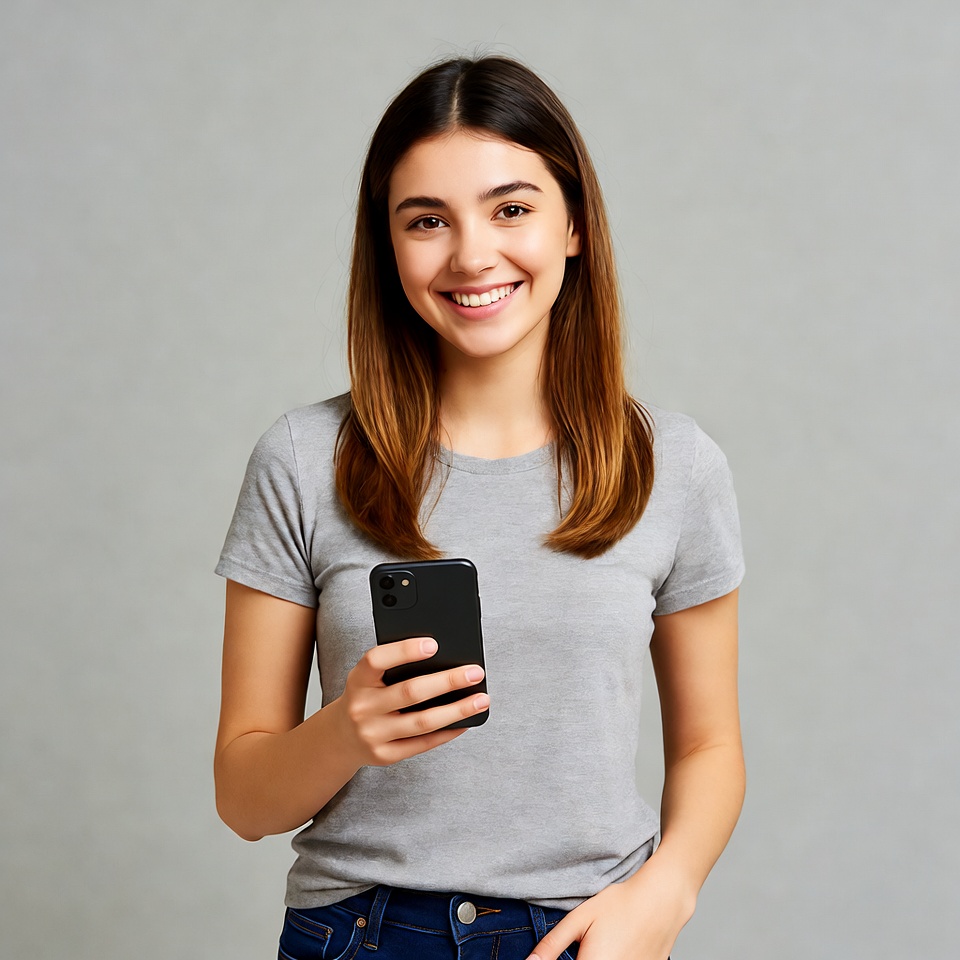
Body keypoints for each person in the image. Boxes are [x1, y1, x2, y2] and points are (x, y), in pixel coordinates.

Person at [215, 55, 745, 960]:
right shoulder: (304, 459)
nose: (471, 255)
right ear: (388, 244)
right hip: (360, 934)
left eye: (511, 209)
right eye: (427, 221)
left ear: (573, 225)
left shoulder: (674, 465)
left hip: (583, 933)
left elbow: (710, 748)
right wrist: (344, 732)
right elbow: (242, 798)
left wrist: (667, 894)